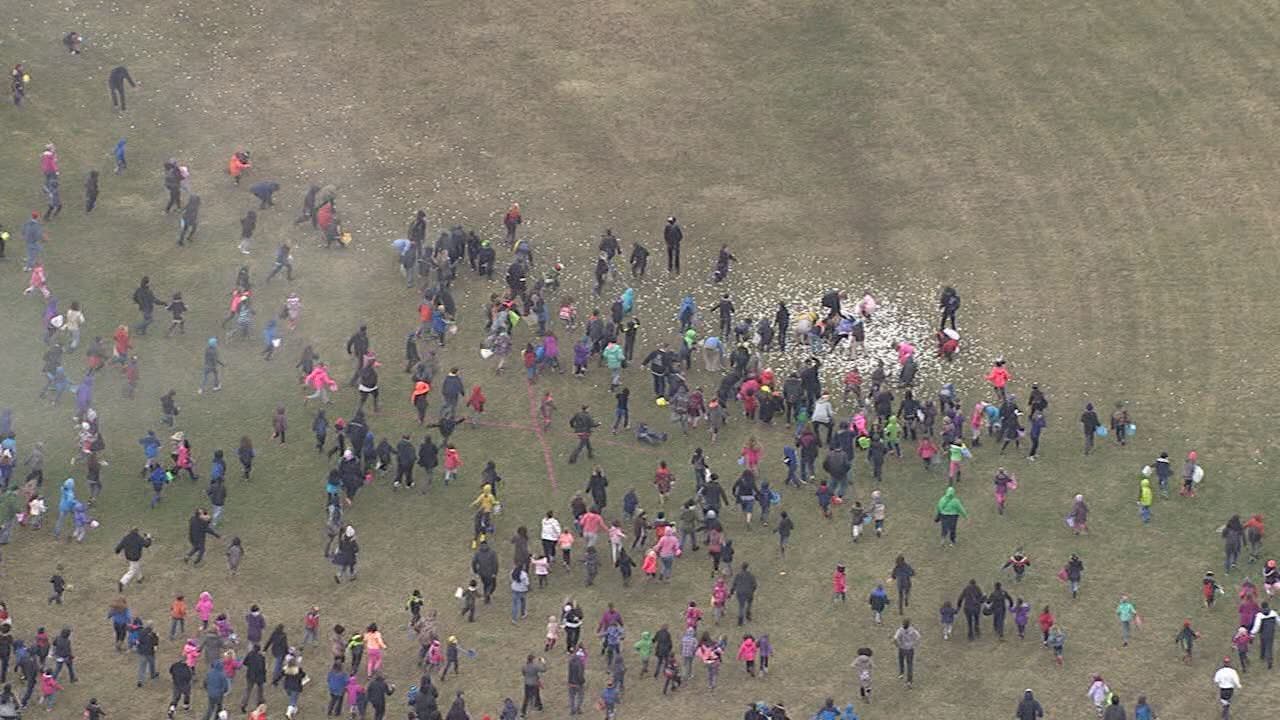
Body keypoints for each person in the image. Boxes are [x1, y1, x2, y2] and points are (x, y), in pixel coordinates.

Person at [891, 619, 920, 687]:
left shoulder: (900, 630)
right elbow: (918, 636)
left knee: (901, 661)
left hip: (902, 648)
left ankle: (901, 673)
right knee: (909, 664)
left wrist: (897, 645)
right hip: (910, 649)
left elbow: (895, 638)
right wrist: (914, 644)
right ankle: (909, 681)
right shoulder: (912, 630)